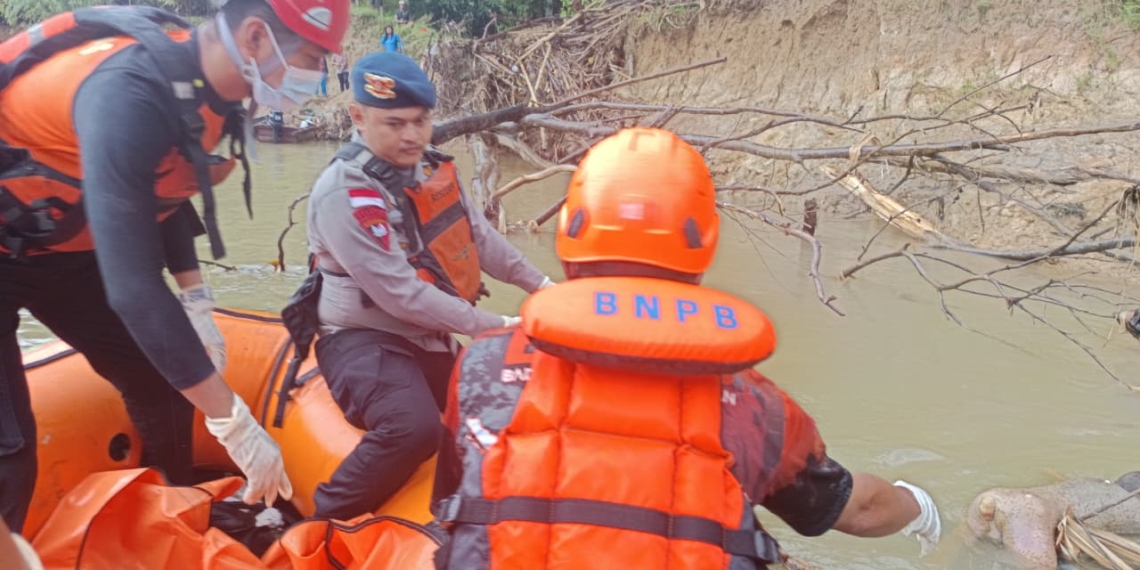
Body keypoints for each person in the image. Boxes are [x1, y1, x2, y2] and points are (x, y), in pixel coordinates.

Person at [431, 128, 942, 568]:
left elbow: (451, 499)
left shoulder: (480, 363)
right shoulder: (755, 407)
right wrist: (919, 506)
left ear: (569, 233)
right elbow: (857, 510)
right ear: (703, 250)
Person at [0, 0, 349, 534]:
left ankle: (172, 516)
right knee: (11, 459)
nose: (317, 76)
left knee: (161, 384)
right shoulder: (127, 91)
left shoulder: (214, 93)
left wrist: (196, 301)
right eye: (310, 56)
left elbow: (169, 191)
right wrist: (233, 421)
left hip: (58, 253)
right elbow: (134, 288)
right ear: (256, 37)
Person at [299, 51, 554, 522]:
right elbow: (398, 291)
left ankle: (475, 517)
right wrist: (495, 327)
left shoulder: (431, 168)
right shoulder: (344, 192)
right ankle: (321, 521)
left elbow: (481, 239)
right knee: (413, 428)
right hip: (362, 339)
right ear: (358, 116)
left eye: (421, 120)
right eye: (395, 124)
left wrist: (544, 286)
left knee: (503, 407)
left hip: (428, 335)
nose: (413, 135)